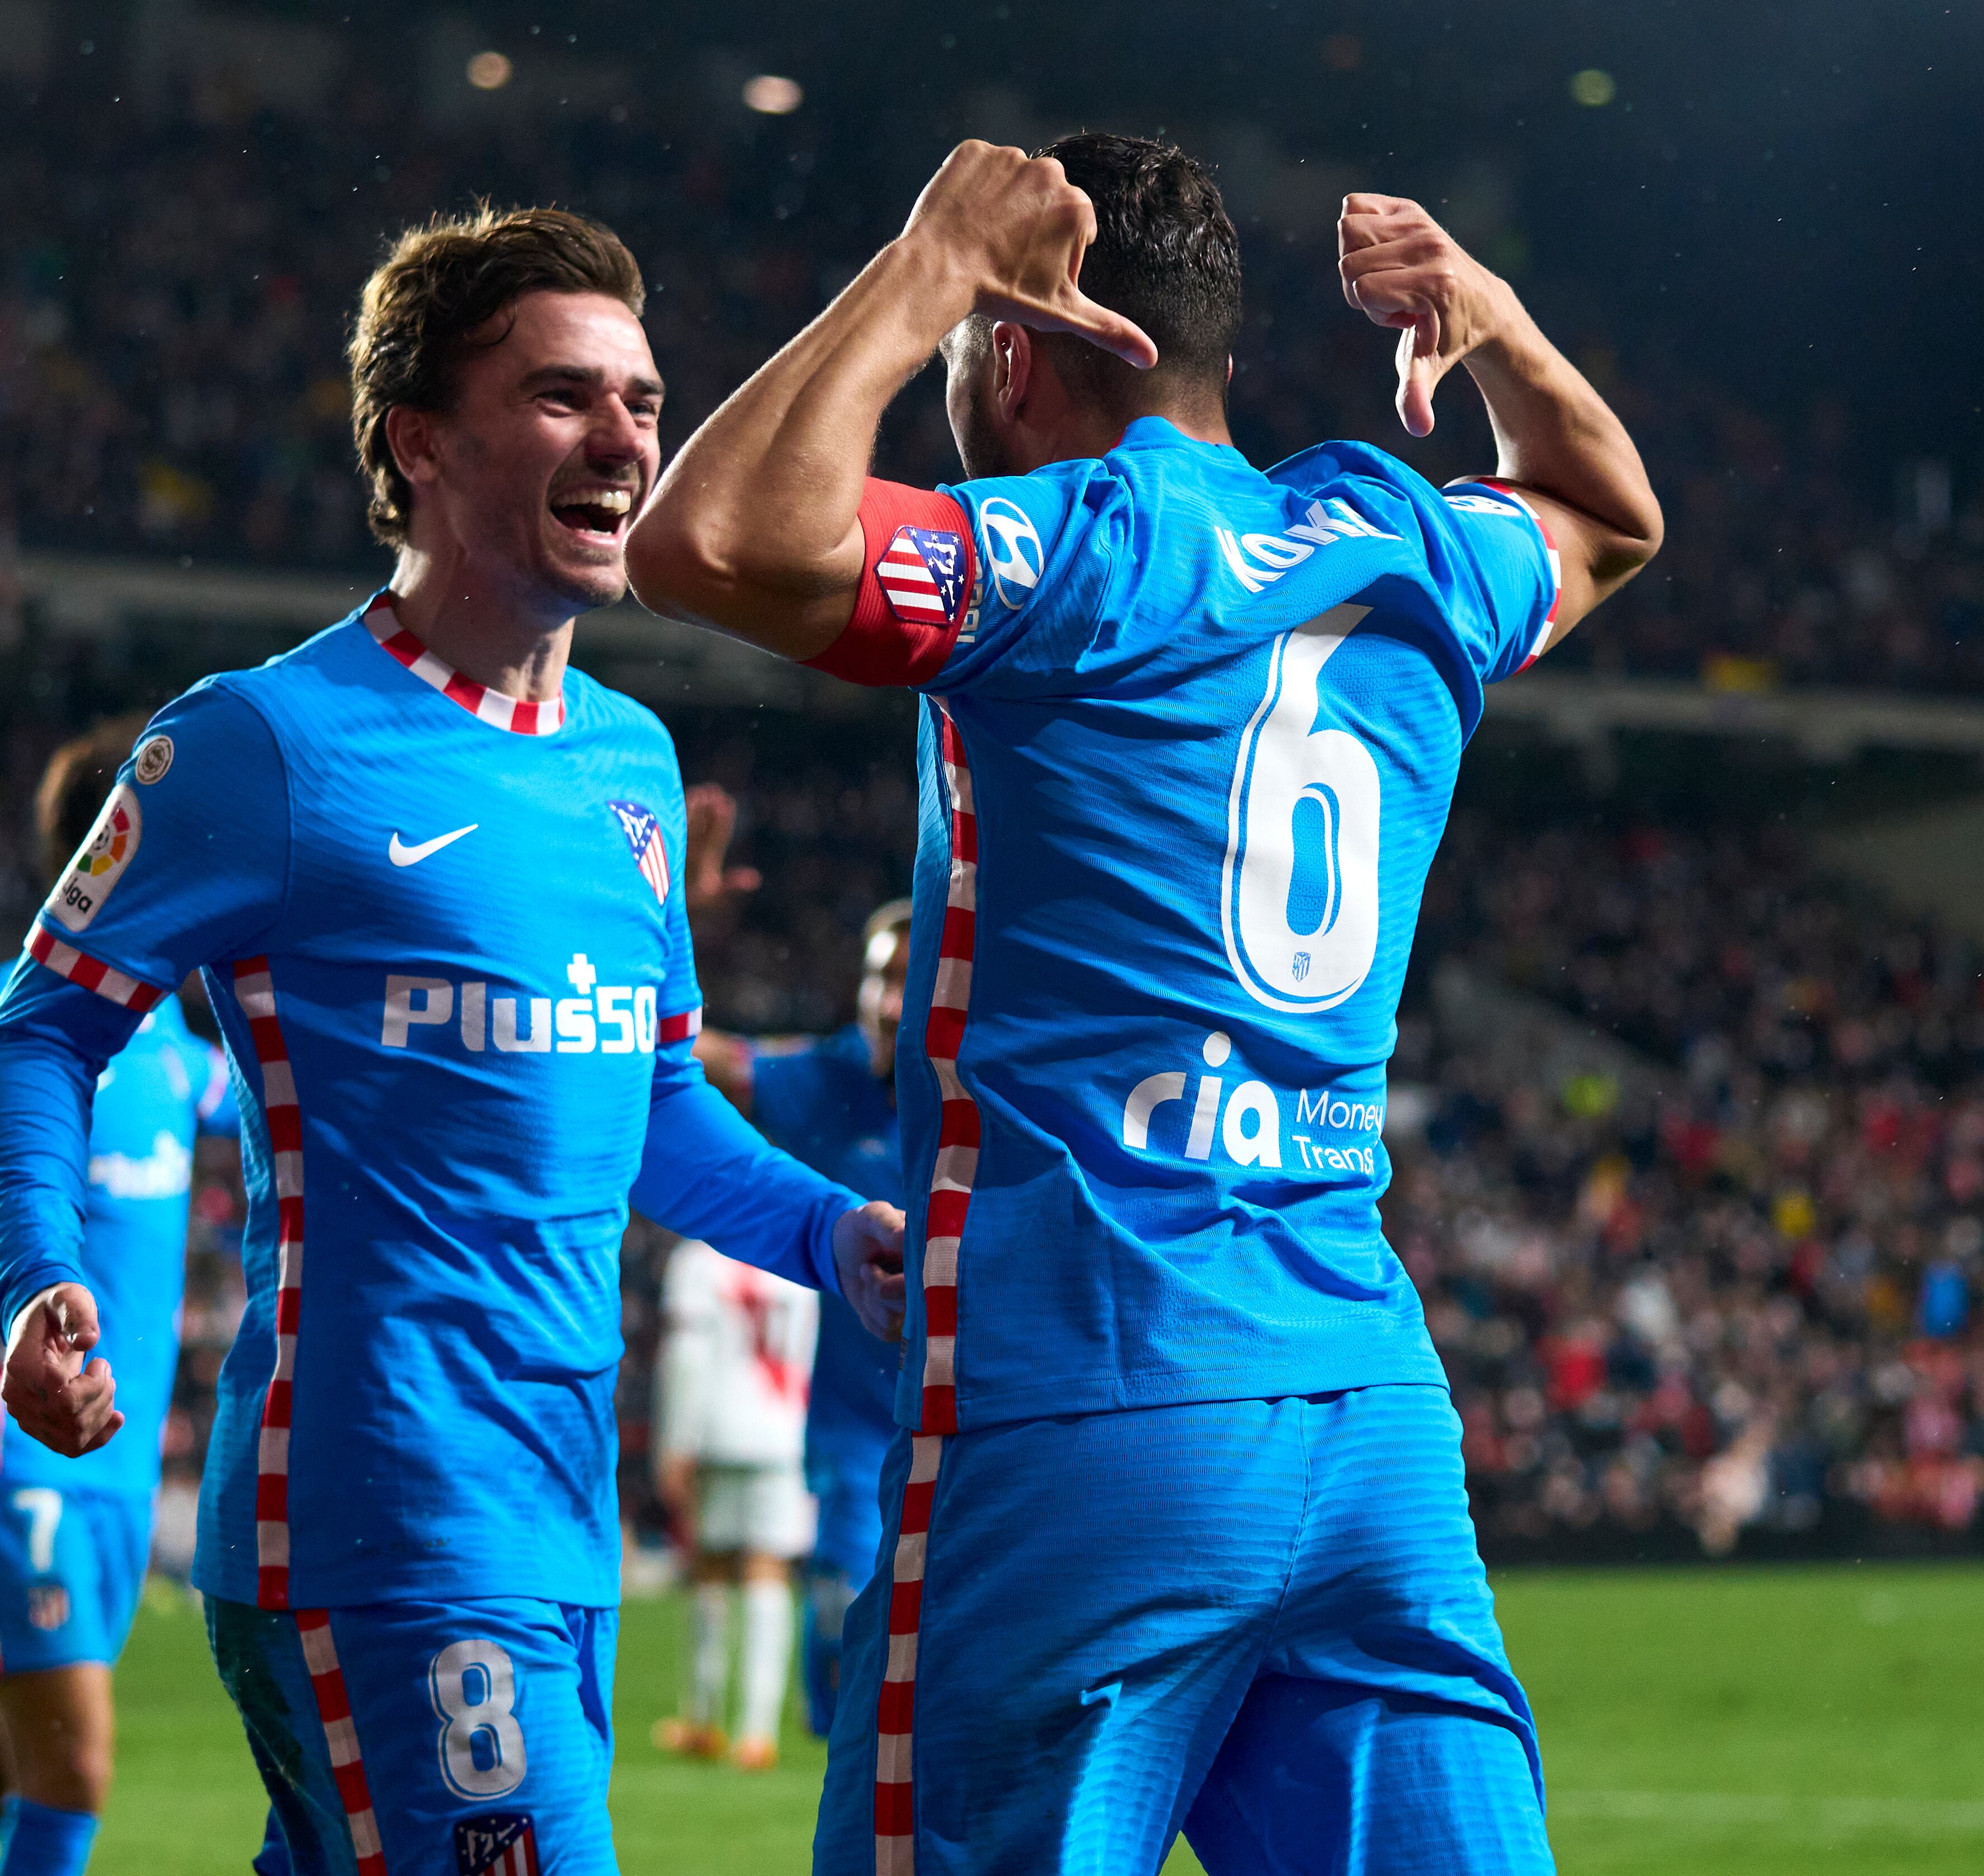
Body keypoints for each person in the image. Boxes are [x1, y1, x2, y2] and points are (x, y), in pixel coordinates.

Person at [628, 136, 1661, 1875]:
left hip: (1085, 1407)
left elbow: (705, 543)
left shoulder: (1074, 544)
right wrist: (1486, 322)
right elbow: (1607, 513)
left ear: (1013, 346)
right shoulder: (1403, 541)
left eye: (970, 339)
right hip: (1362, 1420)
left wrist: (918, 263)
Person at [0, 205, 904, 1876]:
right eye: (563, 396)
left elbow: (657, 1112)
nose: (626, 435)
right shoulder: (261, 744)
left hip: (557, 1517)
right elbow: (38, 1032)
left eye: (639, 396)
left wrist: (834, 1235)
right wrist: (32, 1270)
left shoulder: (629, 765)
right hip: (378, 1507)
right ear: (417, 443)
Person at [0, 720, 236, 1876]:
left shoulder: (185, 1051)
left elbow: (348, 1086)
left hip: (117, 1469)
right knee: (72, 1773)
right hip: (12, 1451)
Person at [689, 894, 908, 1741]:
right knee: (848, 1647)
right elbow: (700, 1061)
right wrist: (682, 929)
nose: (888, 1003)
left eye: (907, 979)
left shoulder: (997, 1087)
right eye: (875, 978)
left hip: (981, 1416)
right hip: (859, 1429)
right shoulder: (830, 1075)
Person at [650, 1235, 818, 1771]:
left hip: (718, 1429)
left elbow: (687, 1357)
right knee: (769, 1571)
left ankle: (703, 1718)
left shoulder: (699, 1261)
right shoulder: (795, 1257)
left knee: (711, 1568)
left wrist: (674, 1440)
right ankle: (757, 1732)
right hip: (786, 1429)